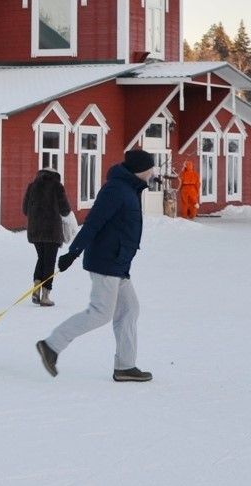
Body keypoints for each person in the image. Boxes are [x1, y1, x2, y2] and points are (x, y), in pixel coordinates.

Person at [35, 149, 154, 383]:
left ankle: (125, 366)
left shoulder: (129, 188)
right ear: (140, 169)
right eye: (150, 167)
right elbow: (94, 222)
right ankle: (51, 345)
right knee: (100, 313)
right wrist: (73, 252)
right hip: (106, 261)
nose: (153, 172)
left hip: (118, 262)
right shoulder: (116, 190)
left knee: (130, 310)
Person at [22, 168, 71, 306]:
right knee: (49, 261)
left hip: (35, 231)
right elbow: (65, 210)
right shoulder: (57, 186)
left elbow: (25, 209)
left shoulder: (32, 186)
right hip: (52, 231)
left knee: (42, 259)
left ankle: (36, 290)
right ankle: (45, 295)